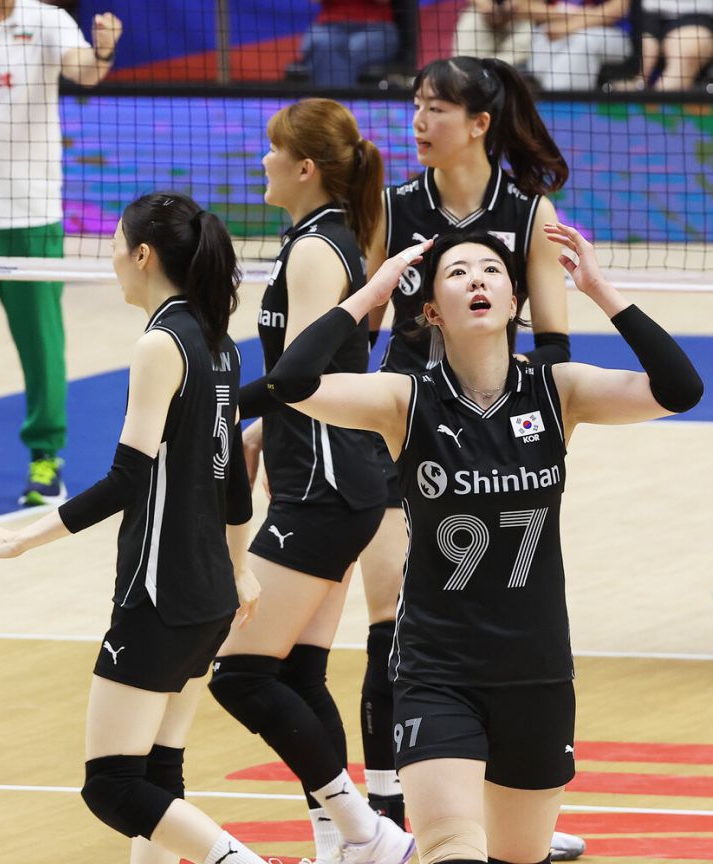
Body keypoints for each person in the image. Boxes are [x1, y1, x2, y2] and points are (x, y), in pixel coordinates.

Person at [262, 224, 703, 864]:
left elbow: (681, 390)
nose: (477, 279)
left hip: (537, 671)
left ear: (514, 300)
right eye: (458, 272)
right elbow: (291, 383)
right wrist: (372, 294)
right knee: (450, 846)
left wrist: (599, 289)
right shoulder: (405, 399)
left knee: (519, 857)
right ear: (433, 311)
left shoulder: (557, 390)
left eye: (492, 270)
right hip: (437, 672)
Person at [0, 191, 272, 864]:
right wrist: (239, 569)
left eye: (116, 243)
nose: (111, 256)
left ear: (142, 255)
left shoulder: (160, 345)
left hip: (161, 594)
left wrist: (21, 540)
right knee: (159, 775)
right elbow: (232, 479)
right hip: (209, 594)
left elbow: (127, 479)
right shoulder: (220, 343)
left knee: (111, 785)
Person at [358, 55, 583, 861]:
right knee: (393, 616)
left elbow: (554, 346)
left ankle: (511, 802)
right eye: (416, 106)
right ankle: (386, 814)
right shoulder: (394, 206)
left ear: (479, 123)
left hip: (492, 436)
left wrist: (527, 415)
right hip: (403, 429)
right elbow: (360, 326)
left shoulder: (527, 213)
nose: (418, 122)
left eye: (435, 109)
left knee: (496, 604)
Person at [206, 98, 413, 864]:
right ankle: (342, 841)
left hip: (326, 486)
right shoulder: (317, 240)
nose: (262, 161)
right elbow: (316, 369)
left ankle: (366, 831)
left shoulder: (318, 249)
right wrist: (263, 431)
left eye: (273, 150)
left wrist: (212, 411)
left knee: (237, 672)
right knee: (296, 671)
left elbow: (299, 376)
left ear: (305, 168)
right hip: (330, 478)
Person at [0, 0, 123, 515]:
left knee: (41, 346)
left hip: (30, 219)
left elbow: (85, 71)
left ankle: (45, 459)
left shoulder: (45, 20)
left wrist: (103, 51)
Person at [523, 0, 631, 91]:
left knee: (583, 41)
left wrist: (570, 26)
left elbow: (616, 9)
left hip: (613, 35)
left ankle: (561, 100)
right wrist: (574, 13)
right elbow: (522, 7)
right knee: (542, 38)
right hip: (556, 28)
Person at [295, 0, 400, 88]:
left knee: (350, 50)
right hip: (329, 27)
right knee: (322, 45)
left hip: (376, 28)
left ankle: (336, 103)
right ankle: (342, 103)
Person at [616, 0, 713, 91]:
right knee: (639, 79)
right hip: (649, 15)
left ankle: (654, 101)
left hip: (697, 15)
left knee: (677, 72)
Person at [453, 1, 534, 67]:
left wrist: (520, 5)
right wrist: (484, 4)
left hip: (523, 17)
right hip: (481, 14)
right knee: (464, 64)